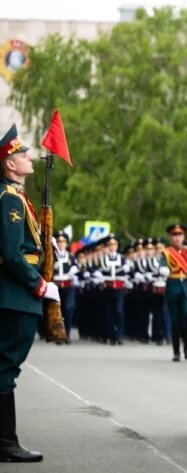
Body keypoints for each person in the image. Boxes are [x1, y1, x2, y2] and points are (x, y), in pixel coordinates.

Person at [0, 124, 60, 462]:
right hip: (15, 294)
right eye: (23, 155)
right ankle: (6, 443)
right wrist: (39, 284)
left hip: (14, 293)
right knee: (6, 368)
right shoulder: (9, 197)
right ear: (10, 163)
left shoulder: (15, 195)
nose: (29, 158)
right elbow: (10, 253)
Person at [158, 224, 187, 362]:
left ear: (183, 236)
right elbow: (162, 264)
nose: (177, 238)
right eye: (174, 235)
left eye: (180, 235)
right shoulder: (166, 252)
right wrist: (163, 270)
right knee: (175, 320)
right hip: (173, 288)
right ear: (170, 237)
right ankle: (176, 351)